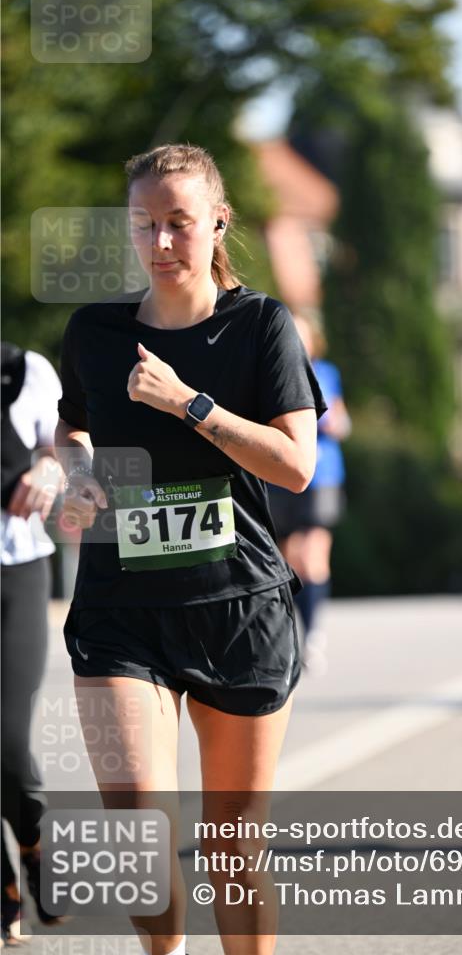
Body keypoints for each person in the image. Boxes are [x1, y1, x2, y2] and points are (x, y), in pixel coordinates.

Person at [54, 144, 326, 955]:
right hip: (119, 609)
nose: (162, 242)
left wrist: (190, 403)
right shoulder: (96, 332)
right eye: (146, 225)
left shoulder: (260, 326)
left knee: (230, 846)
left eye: (179, 223)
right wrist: (76, 476)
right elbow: (73, 428)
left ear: (217, 222)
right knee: (137, 827)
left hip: (235, 606)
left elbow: (296, 465)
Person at [1, 341, 64, 942]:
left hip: (14, 573)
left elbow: (74, 448)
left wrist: (52, 466)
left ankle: (34, 845)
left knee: (7, 737)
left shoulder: (26, 373)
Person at [268, 313, 350, 674]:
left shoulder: (325, 373)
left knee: (311, 552)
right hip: (281, 474)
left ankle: (314, 633)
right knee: (289, 558)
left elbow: (342, 422)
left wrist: (330, 421)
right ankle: (298, 632)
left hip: (321, 476)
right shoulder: (270, 373)